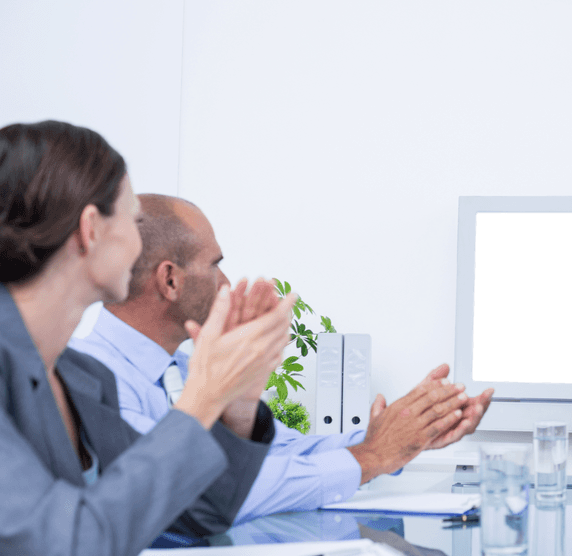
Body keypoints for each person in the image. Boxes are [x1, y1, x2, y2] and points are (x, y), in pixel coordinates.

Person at [0, 120, 295, 556]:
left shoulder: (79, 378)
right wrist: (200, 398)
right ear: (90, 231)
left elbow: (199, 514)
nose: (142, 247)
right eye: (134, 222)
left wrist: (237, 402)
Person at [71, 194, 494, 523]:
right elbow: (213, 491)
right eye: (215, 264)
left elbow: (282, 454)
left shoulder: (184, 370)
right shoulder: (93, 380)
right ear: (170, 280)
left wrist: (398, 435)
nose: (225, 280)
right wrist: (371, 458)